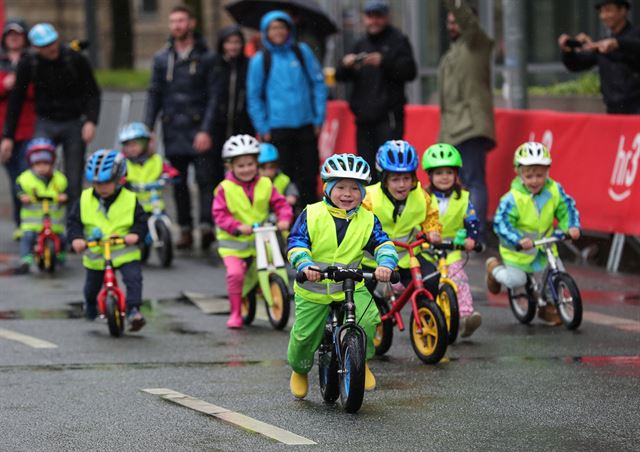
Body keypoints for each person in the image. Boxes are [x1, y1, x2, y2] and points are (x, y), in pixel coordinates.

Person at [286, 153, 398, 398]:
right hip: (314, 287)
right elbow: (296, 242)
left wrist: (386, 264)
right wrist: (305, 264)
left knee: (368, 319)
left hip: (350, 284)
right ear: (327, 189)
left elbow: (383, 243)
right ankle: (300, 369)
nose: (347, 194)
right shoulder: (312, 214)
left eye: (354, 189)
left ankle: (360, 361)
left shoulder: (368, 219)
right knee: (304, 336)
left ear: (363, 192)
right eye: (341, 187)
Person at [1, 22, 101, 212]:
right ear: (35, 48)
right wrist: (8, 136)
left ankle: (73, 226)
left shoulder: (75, 58)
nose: (52, 48)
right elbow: (16, 101)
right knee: (38, 171)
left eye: (53, 42)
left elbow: (93, 92)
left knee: (73, 178)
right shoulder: (29, 63)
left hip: (73, 121)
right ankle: (40, 226)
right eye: (46, 46)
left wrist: (91, 120)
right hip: (45, 121)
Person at [145, 5, 216, 251]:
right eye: (173, 21)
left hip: (199, 129)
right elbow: (154, 94)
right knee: (178, 182)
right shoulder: (162, 58)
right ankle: (185, 228)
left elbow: (214, 97)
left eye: (182, 21)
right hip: (173, 129)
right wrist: (148, 130)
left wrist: (206, 129)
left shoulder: (206, 57)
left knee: (206, 179)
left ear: (192, 23)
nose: (177, 25)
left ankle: (207, 226)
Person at [486, 142, 581, 324]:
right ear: (519, 173)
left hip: (545, 246)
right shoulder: (512, 198)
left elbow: (566, 207)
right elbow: (501, 224)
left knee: (557, 271)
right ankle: (494, 269)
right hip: (518, 251)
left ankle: (547, 307)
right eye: (529, 176)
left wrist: (572, 226)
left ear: (548, 172)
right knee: (516, 280)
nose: (535, 180)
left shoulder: (554, 190)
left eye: (540, 175)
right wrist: (518, 240)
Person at [246, 10, 327, 208]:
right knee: (283, 176)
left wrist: (318, 118)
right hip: (277, 128)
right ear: (266, 32)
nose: (278, 32)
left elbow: (318, 84)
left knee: (309, 174)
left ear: (289, 29)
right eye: (273, 28)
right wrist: (263, 127)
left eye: (282, 27)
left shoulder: (302, 52)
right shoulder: (260, 59)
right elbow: (254, 96)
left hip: (306, 125)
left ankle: (311, 219)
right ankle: (286, 219)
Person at [212, 135, 293, 329]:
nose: (246, 169)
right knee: (236, 275)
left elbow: (280, 203)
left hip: (261, 240)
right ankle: (235, 312)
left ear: (257, 163)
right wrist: (236, 226)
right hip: (234, 244)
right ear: (230, 167)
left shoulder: (265, 184)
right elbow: (219, 214)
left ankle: (269, 292)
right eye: (241, 166)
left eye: (250, 164)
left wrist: (284, 219)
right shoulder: (224, 188)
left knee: (274, 265)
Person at [67, 150, 148, 331]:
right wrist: (76, 239)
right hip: (96, 255)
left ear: (120, 179)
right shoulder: (84, 199)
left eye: (106, 183)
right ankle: (90, 306)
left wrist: (135, 234)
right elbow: (73, 223)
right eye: (97, 183)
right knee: (91, 289)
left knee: (134, 279)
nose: (102, 187)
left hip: (124, 251)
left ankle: (134, 310)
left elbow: (142, 221)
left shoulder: (130, 199)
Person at [335, 1, 417, 178]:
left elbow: (410, 72)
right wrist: (346, 65)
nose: (374, 21)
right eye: (370, 16)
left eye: (378, 16)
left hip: (389, 119)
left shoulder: (398, 40)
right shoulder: (360, 43)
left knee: (390, 170)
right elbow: (339, 77)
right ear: (365, 19)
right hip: (364, 120)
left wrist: (384, 62)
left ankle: (390, 205)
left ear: (386, 17)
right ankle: (369, 205)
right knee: (366, 172)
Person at [438, 0, 495, 241]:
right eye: (448, 21)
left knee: (473, 181)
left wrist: (452, 4)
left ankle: (477, 234)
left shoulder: (477, 42)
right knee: (451, 183)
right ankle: (456, 230)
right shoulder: (455, 50)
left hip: (470, 126)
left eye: (456, 21)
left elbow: (465, 19)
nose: (452, 25)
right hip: (451, 129)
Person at [361, 140, 441, 300]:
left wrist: (433, 231)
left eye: (406, 178)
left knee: (431, 279)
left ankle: (424, 318)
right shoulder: (368, 198)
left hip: (407, 260)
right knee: (358, 298)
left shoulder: (421, 196)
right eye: (395, 179)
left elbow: (430, 216)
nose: (402, 185)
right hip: (372, 262)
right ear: (384, 179)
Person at [422, 143, 482, 337]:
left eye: (449, 172)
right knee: (418, 280)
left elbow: (472, 221)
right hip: (427, 248)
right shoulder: (422, 197)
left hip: (452, 248)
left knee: (459, 280)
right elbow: (414, 221)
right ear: (430, 175)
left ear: (456, 174)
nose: (444, 177)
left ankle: (465, 317)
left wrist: (472, 238)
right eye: (439, 173)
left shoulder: (463, 198)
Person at [558, 0, 640, 114]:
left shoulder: (635, 35)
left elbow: (634, 46)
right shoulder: (602, 43)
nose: (604, 16)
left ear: (623, 10)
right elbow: (576, 65)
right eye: (601, 12)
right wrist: (568, 52)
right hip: (613, 112)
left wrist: (617, 43)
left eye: (608, 10)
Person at [0, 18, 35, 235]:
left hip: (29, 127)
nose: (13, 38)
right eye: (10, 34)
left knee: (28, 176)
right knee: (14, 178)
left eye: (18, 34)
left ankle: (32, 223)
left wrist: (20, 84)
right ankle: (20, 222)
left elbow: (38, 90)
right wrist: (4, 85)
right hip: (4, 130)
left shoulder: (32, 61)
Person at [210, 25, 254, 191]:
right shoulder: (214, 65)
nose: (233, 46)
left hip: (242, 125)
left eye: (236, 42)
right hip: (218, 125)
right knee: (215, 171)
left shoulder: (248, 64)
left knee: (243, 169)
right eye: (228, 42)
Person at [14, 138, 67, 275]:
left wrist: (64, 196)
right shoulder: (25, 178)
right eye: (37, 164)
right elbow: (18, 189)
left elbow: (67, 191)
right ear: (31, 163)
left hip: (54, 222)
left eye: (45, 163)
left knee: (62, 238)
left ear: (52, 163)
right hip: (33, 223)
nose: (41, 167)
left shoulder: (59, 179)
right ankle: (25, 260)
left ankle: (61, 255)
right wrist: (22, 196)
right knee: (27, 237)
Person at [119, 122, 178, 214]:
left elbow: (174, 173)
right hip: (132, 208)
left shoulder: (156, 160)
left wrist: (166, 178)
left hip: (155, 206)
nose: (131, 148)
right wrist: (125, 183)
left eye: (135, 144)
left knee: (163, 225)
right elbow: (117, 177)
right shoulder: (123, 162)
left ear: (145, 143)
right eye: (128, 145)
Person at [258, 142, 299, 208]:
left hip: (279, 212)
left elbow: (292, 197)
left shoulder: (283, 179)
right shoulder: (252, 182)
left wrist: (289, 198)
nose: (267, 172)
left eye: (271, 167)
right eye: (263, 168)